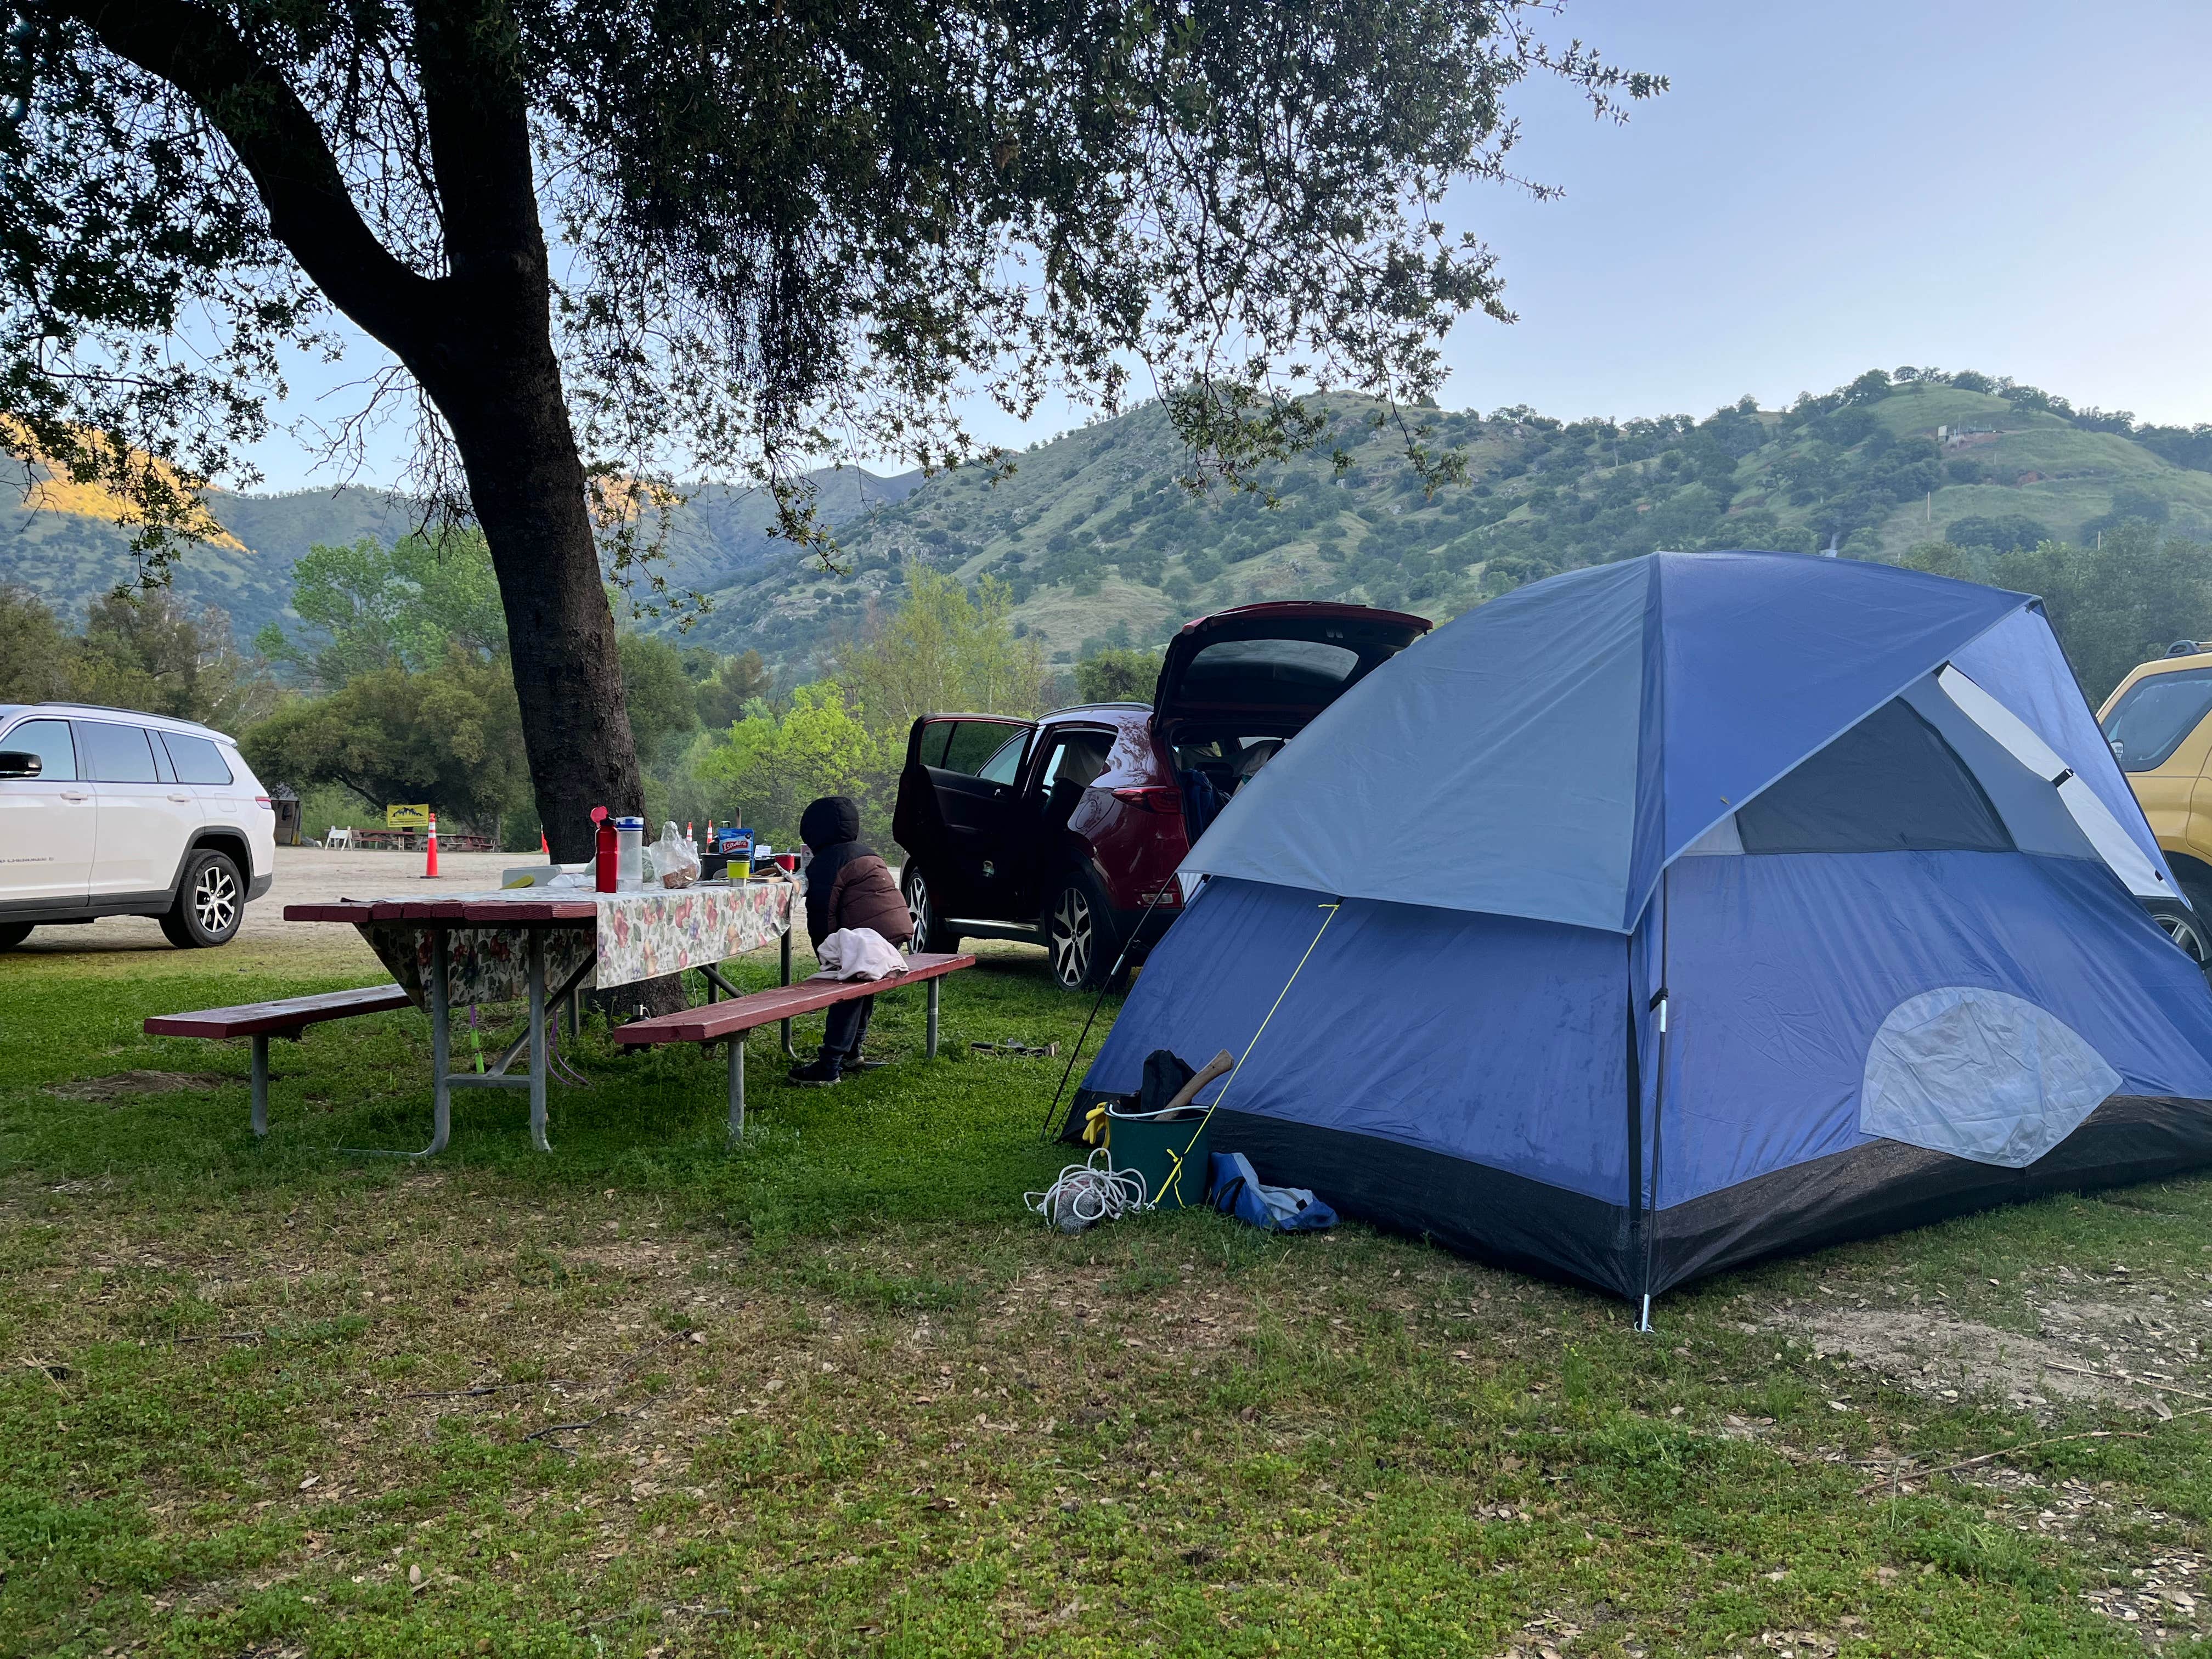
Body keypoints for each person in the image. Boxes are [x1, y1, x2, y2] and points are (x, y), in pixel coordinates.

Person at [789, 795, 913, 1086]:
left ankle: (829, 1065)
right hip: (892, 935)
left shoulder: (826, 862)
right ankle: (853, 1052)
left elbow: (821, 912)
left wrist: (826, 953)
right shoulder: (866, 852)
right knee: (864, 985)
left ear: (812, 831)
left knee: (848, 991)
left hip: (868, 939)